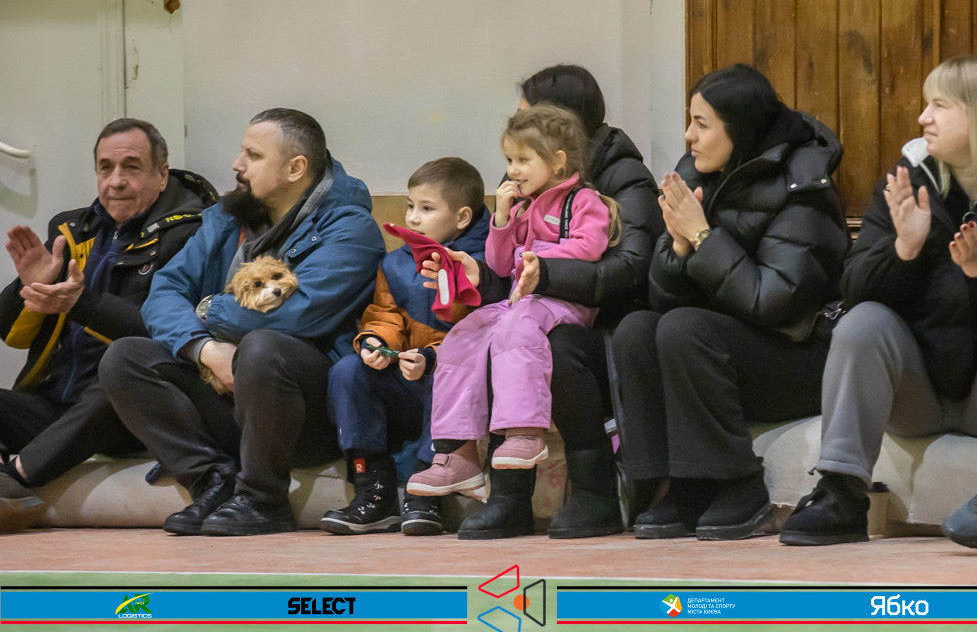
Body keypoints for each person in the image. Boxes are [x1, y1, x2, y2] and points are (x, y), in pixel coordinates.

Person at [99, 108, 385, 536]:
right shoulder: (227, 217)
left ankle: (263, 499)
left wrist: (208, 310)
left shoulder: (351, 229)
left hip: (309, 410)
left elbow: (298, 314)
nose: (237, 165)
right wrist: (206, 350)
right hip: (232, 388)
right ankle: (211, 482)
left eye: (253, 155)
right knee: (126, 357)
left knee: (265, 346)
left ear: (295, 168)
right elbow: (164, 292)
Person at [782, 55, 977, 547]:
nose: (922, 117)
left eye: (940, 105)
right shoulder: (905, 180)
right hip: (917, 393)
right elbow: (854, 286)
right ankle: (840, 493)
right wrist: (904, 250)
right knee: (863, 321)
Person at [418, 64, 662, 539]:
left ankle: (594, 491)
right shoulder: (528, 184)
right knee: (479, 333)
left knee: (548, 344)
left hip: (605, 328)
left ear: (556, 135)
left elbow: (628, 269)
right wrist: (479, 276)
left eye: (526, 113)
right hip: (534, 304)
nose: (512, 166)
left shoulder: (619, 178)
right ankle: (486, 479)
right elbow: (506, 265)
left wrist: (543, 271)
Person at [612, 63, 849, 541]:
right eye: (690, 121)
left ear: (738, 130)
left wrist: (703, 237)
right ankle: (675, 485)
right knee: (636, 329)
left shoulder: (802, 186)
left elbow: (773, 303)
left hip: (801, 356)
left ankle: (740, 485)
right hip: (724, 348)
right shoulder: (694, 173)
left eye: (702, 124)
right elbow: (661, 299)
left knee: (685, 328)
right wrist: (680, 249)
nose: (688, 136)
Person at [0, 118, 216, 532]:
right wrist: (29, 287)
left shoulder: (194, 235)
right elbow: (8, 333)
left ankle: (13, 479)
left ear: (162, 174)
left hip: (129, 410)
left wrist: (80, 303)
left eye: (131, 167)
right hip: (53, 405)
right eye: (105, 168)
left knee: (118, 370)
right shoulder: (72, 230)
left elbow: (165, 332)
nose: (116, 181)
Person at [320, 157, 489, 537]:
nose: (412, 217)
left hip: (451, 381)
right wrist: (377, 343)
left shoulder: (483, 264)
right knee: (348, 370)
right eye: (411, 205)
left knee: (448, 375)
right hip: (407, 377)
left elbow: (476, 334)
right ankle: (374, 492)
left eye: (427, 208)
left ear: (462, 217)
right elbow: (385, 314)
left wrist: (430, 359)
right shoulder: (395, 262)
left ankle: (425, 493)